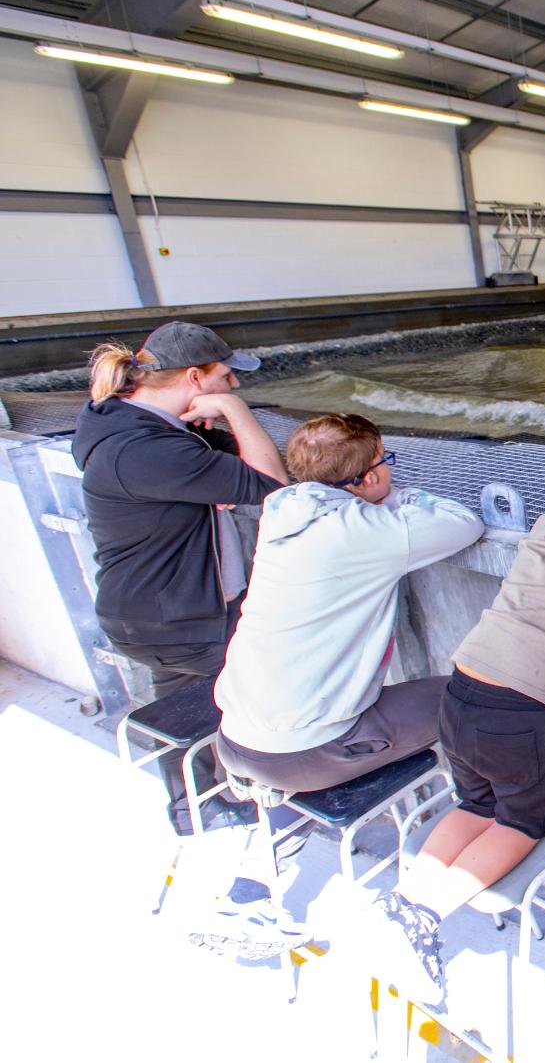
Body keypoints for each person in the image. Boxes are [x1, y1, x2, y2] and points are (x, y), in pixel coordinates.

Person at [368, 449, 545, 1005]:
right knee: (524, 824)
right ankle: (422, 917)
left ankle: (405, 897)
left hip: (463, 690)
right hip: (524, 714)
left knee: (475, 806)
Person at [199, 413, 483, 953]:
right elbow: (462, 521)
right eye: (384, 463)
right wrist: (395, 499)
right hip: (302, 751)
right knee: (477, 697)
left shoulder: (281, 512)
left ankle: (251, 893)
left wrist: (377, 497)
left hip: (235, 738)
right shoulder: (366, 532)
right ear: (369, 478)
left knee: (299, 739)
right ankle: (478, 835)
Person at [71, 322, 287, 834]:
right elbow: (272, 485)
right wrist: (237, 414)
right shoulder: (146, 448)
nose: (234, 387)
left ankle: (196, 808)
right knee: (263, 691)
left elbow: (222, 465)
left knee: (184, 711)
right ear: (195, 377)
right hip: (179, 618)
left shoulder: (125, 423)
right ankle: (264, 797)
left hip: (152, 611)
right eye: (227, 377)